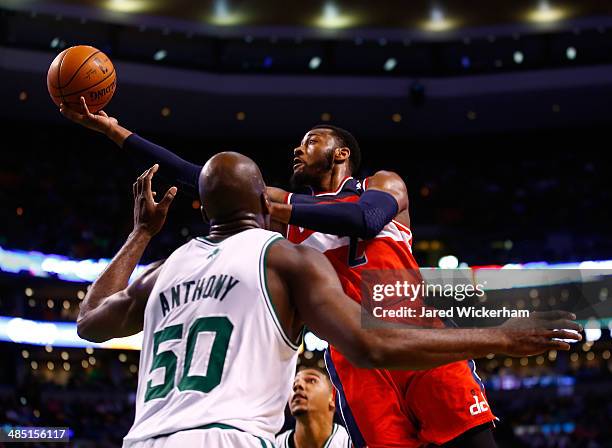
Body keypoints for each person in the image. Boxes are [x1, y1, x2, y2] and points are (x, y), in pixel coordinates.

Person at [65, 99, 581, 448]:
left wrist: (286, 208)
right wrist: (114, 131)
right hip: (354, 356)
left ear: (340, 152)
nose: (297, 148)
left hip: (417, 336)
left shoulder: (382, 184)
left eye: (310, 141)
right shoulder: (284, 222)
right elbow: (203, 176)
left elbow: (365, 218)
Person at [276, 366, 351, 448]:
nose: (297, 385)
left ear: (333, 398)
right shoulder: (274, 444)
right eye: (293, 383)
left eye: (311, 381)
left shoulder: (351, 442)